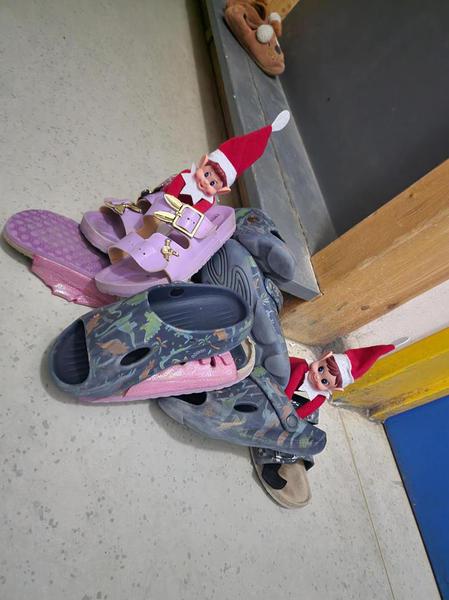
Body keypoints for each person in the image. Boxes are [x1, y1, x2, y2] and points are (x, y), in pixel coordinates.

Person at [253, 344, 397, 508]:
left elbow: (308, 409)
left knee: (305, 428)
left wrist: (295, 421)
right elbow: (287, 388)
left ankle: (289, 454)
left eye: (324, 381)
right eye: (320, 369)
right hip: (277, 397)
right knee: (278, 426)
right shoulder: (301, 368)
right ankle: (271, 461)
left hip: (293, 413)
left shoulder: (320, 396)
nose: (316, 376)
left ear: (336, 389)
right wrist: (284, 412)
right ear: (324, 357)